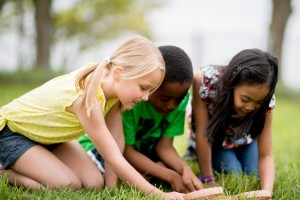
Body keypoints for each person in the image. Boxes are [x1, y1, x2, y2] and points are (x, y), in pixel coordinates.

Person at [0, 35, 184, 200]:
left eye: (150, 90)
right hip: (13, 134)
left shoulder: (112, 90)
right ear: (119, 73)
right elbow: (113, 157)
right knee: (68, 184)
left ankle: (37, 162)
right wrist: (159, 195)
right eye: (143, 88)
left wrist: (111, 188)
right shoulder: (87, 98)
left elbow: (116, 139)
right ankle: (5, 173)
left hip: (48, 138)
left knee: (94, 182)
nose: (145, 97)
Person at [79, 45, 203, 193]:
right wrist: (171, 176)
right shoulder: (132, 101)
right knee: (154, 174)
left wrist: (184, 169)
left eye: (179, 99)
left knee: (163, 167)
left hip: (141, 153)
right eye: (165, 98)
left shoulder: (179, 102)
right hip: (107, 151)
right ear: (153, 87)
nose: (171, 105)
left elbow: (164, 147)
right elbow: (125, 151)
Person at [185, 49, 278, 193]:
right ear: (232, 84)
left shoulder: (267, 102)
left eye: (259, 102)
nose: (251, 107)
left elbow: (266, 154)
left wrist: (267, 191)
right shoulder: (205, 83)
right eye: (245, 99)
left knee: (253, 174)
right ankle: (192, 151)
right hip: (215, 139)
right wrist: (208, 178)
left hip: (244, 139)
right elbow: (203, 134)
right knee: (234, 172)